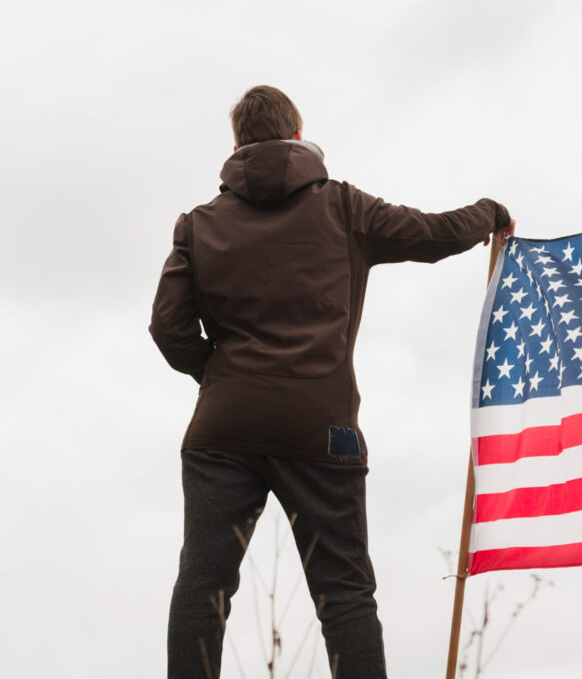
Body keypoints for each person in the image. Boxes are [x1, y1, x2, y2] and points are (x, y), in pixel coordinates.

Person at [149, 85, 513, 679]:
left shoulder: (197, 225)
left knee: (202, 590)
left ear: (237, 144)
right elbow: (432, 234)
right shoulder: (344, 207)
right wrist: (488, 214)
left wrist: (218, 375)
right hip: (322, 431)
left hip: (224, 429)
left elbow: (168, 327)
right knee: (343, 595)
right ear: (298, 136)